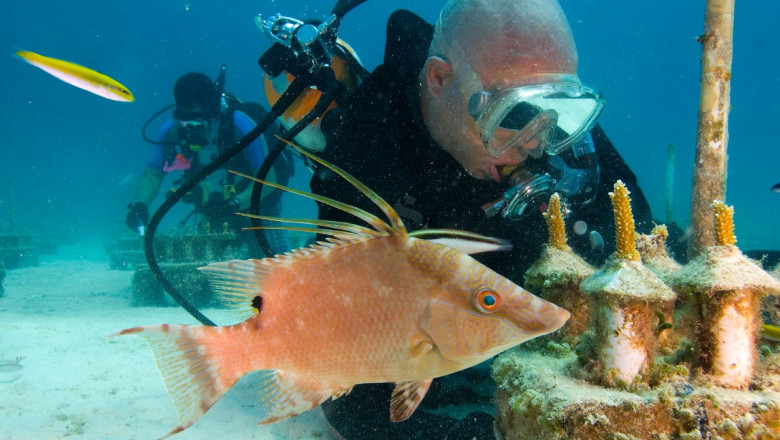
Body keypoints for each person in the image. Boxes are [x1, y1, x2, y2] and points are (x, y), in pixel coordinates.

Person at [309, 0, 658, 438]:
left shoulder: (548, 128)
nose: (538, 144)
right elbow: (348, 388)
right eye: (514, 114)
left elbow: (642, 237)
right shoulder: (367, 145)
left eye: (562, 112)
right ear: (439, 79)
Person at [125, 72, 294, 256]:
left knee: (274, 264)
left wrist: (233, 204)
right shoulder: (170, 131)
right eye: (185, 120)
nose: (192, 128)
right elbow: (153, 174)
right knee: (212, 265)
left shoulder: (240, 124)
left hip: (258, 202)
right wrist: (140, 205)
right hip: (212, 206)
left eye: (199, 120)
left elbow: (267, 179)